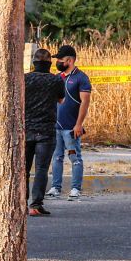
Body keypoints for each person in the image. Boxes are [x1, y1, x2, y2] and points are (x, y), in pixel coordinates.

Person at [23, 48, 67, 216]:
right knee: (41, 168)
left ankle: (21, 201)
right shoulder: (55, 80)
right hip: (46, 130)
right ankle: (35, 204)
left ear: (34, 62)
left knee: (23, 169)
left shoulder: (25, 79)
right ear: (50, 63)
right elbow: (61, 100)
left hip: (26, 129)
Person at [48, 44, 93, 201]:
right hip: (56, 127)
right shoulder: (57, 77)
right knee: (57, 157)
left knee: (74, 157)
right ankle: (55, 187)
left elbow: (85, 103)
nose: (58, 62)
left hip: (71, 128)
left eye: (60, 59)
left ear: (70, 60)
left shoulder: (81, 78)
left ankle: (75, 188)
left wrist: (78, 124)